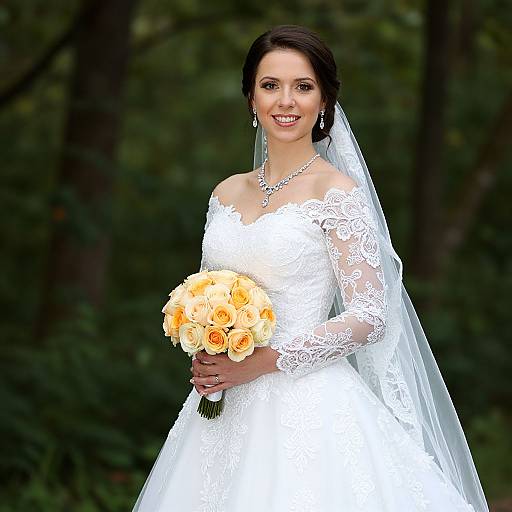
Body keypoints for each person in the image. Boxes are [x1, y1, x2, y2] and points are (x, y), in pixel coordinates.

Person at [132, 25, 489, 512]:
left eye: (303, 87)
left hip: (308, 405)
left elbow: (369, 313)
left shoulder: (335, 192)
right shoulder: (225, 193)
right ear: (250, 98)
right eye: (270, 85)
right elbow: (206, 288)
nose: (286, 101)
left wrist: (266, 360)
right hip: (222, 407)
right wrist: (205, 340)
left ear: (324, 102)